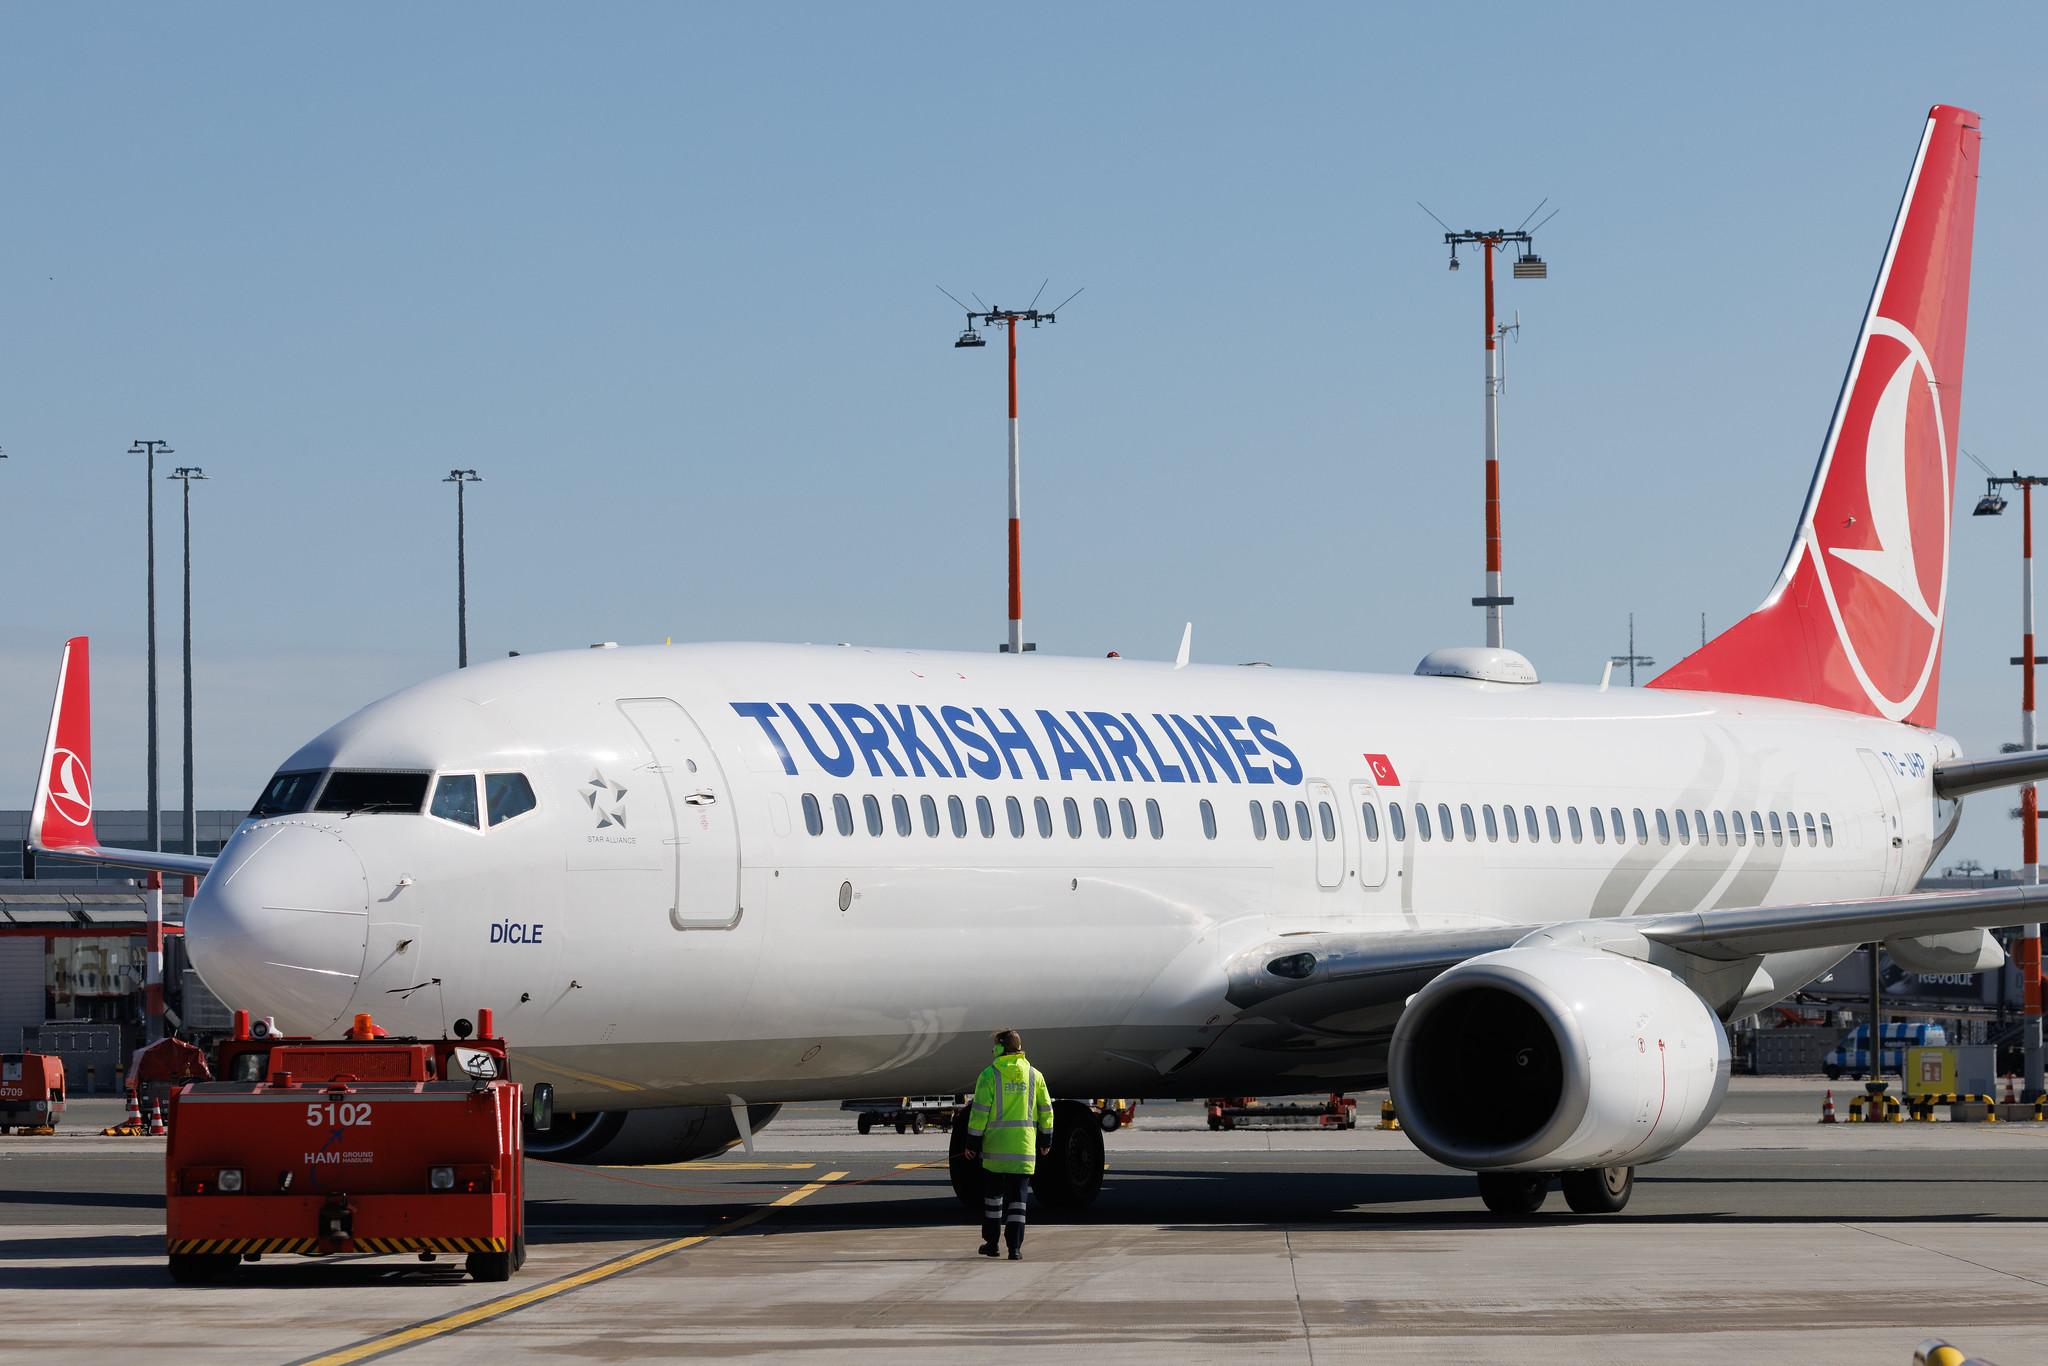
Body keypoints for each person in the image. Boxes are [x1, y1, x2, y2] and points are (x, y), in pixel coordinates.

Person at [962, 1028, 1054, 1261]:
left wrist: (972, 1142)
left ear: (1001, 1048)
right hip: (1023, 1148)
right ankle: (1015, 1248)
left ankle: (991, 1244)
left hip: (996, 1149)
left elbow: (979, 1113)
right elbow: (1046, 1111)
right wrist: (1046, 1139)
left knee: (993, 1200)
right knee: (1018, 1202)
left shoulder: (989, 1075)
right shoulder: (1035, 1075)